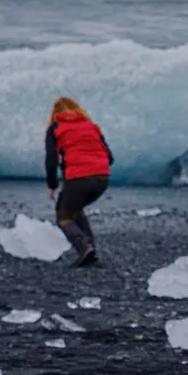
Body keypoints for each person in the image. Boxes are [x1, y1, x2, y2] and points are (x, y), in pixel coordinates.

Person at [45, 96, 113, 267]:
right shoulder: (92, 127)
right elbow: (109, 157)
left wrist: (52, 185)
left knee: (64, 216)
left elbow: (51, 160)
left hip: (79, 178)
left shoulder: (56, 128)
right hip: (103, 178)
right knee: (74, 209)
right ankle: (91, 250)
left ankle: (84, 247)